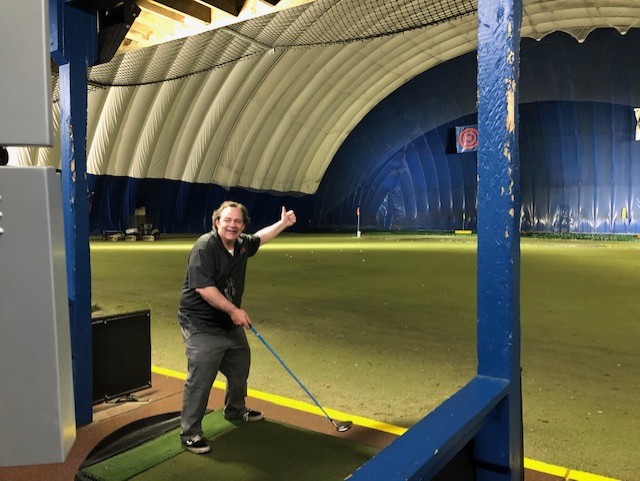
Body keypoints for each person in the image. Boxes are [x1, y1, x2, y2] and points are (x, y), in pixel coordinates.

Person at [178, 200, 297, 454]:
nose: (232, 225)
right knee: (202, 375)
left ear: (243, 225)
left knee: (240, 363)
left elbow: (260, 238)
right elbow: (204, 289)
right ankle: (190, 433)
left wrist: (283, 223)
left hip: (227, 322)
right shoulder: (204, 248)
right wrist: (234, 310)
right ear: (217, 222)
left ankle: (235, 410)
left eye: (238, 221)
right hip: (201, 323)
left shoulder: (242, 244)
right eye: (227, 220)